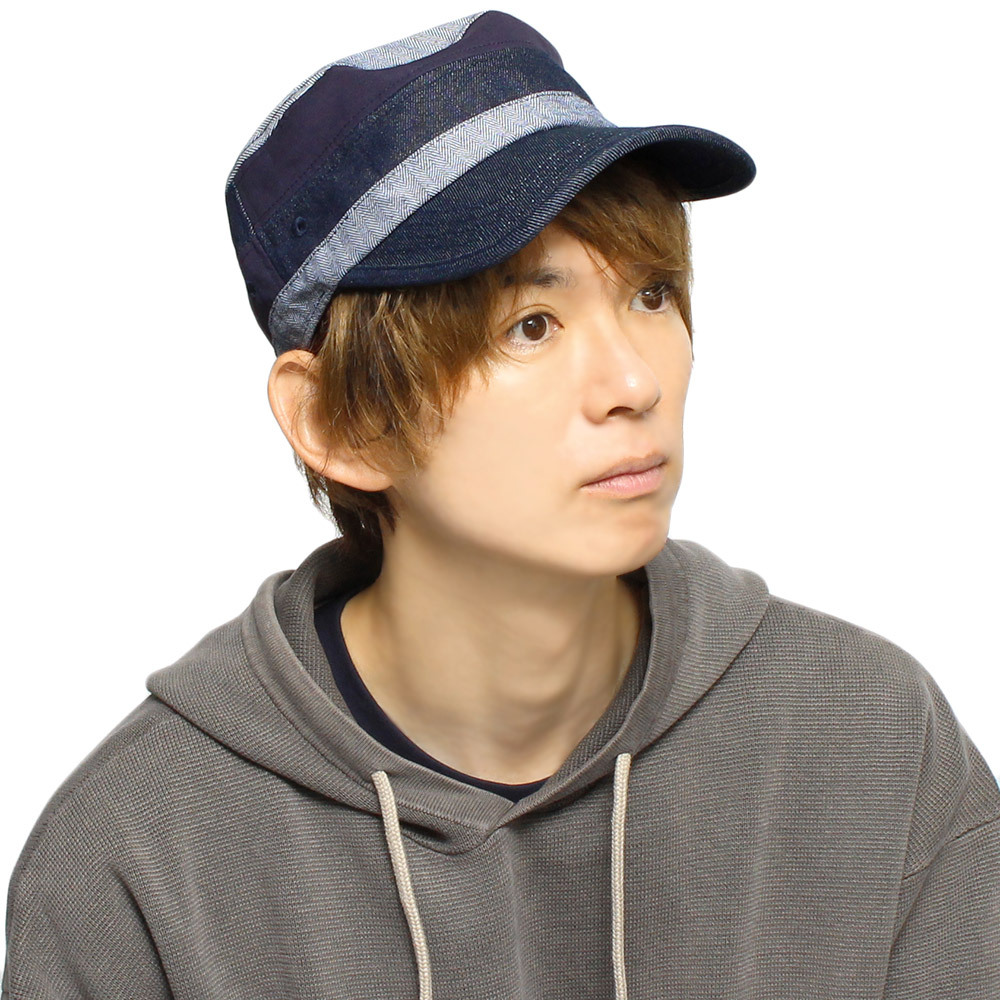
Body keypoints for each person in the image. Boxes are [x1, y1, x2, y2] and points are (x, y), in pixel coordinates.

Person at [3, 9, 998, 999]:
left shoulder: (872, 744)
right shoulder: (134, 860)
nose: (634, 382)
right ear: (339, 420)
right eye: (530, 324)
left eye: (651, 294)